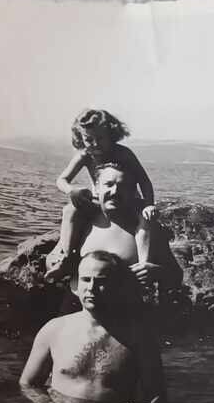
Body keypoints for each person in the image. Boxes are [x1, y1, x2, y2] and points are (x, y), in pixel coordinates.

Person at [20, 250, 165, 403]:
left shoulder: (139, 338)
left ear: (119, 286)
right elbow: (28, 385)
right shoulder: (54, 330)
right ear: (75, 285)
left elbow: (156, 398)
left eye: (101, 281)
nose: (91, 288)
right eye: (86, 279)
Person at [45, 108, 156, 281]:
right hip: (100, 202)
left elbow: (144, 182)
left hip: (127, 201)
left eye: (101, 138)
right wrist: (72, 190)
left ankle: (144, 263)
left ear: (111, 134)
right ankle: (66, 256)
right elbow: (62, 179)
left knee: (144, 219)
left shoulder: (123, 153)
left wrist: (149, 205)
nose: (95, 144)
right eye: (89, 139)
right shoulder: (84, 155)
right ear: (80, 138)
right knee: (70, 210)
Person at [77, 161, 182, 292]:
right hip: (79, 305)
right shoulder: (83, 221)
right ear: (97, 188)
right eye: (108, 184)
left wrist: (156, 272)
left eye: (123, 187)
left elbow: (176, 276)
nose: (115, 191)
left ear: (132, 192)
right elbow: (60, 259)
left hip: (124, 307)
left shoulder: (145, 228)